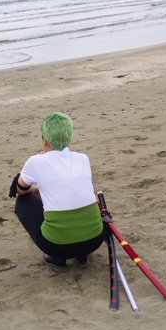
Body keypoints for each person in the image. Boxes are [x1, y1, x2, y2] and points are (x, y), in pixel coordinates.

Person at [9, 112, 105, 268]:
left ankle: (57, 258)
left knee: (23, 201)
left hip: (57, 245)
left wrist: (35, 190)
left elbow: (20, 190)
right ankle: (82, 255)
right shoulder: (83, 158)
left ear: (45, 140)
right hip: (94, 240)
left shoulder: (36, 161)